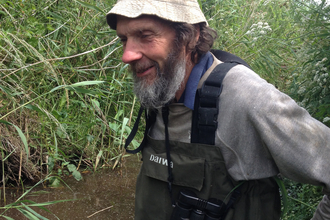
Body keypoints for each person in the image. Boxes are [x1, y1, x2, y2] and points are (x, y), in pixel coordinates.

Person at [106, 0, 330, 219]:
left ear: (191, 36)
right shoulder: (160, 90)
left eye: (145, 36)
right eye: (124, 40)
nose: (127, 55)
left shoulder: (246, 96)